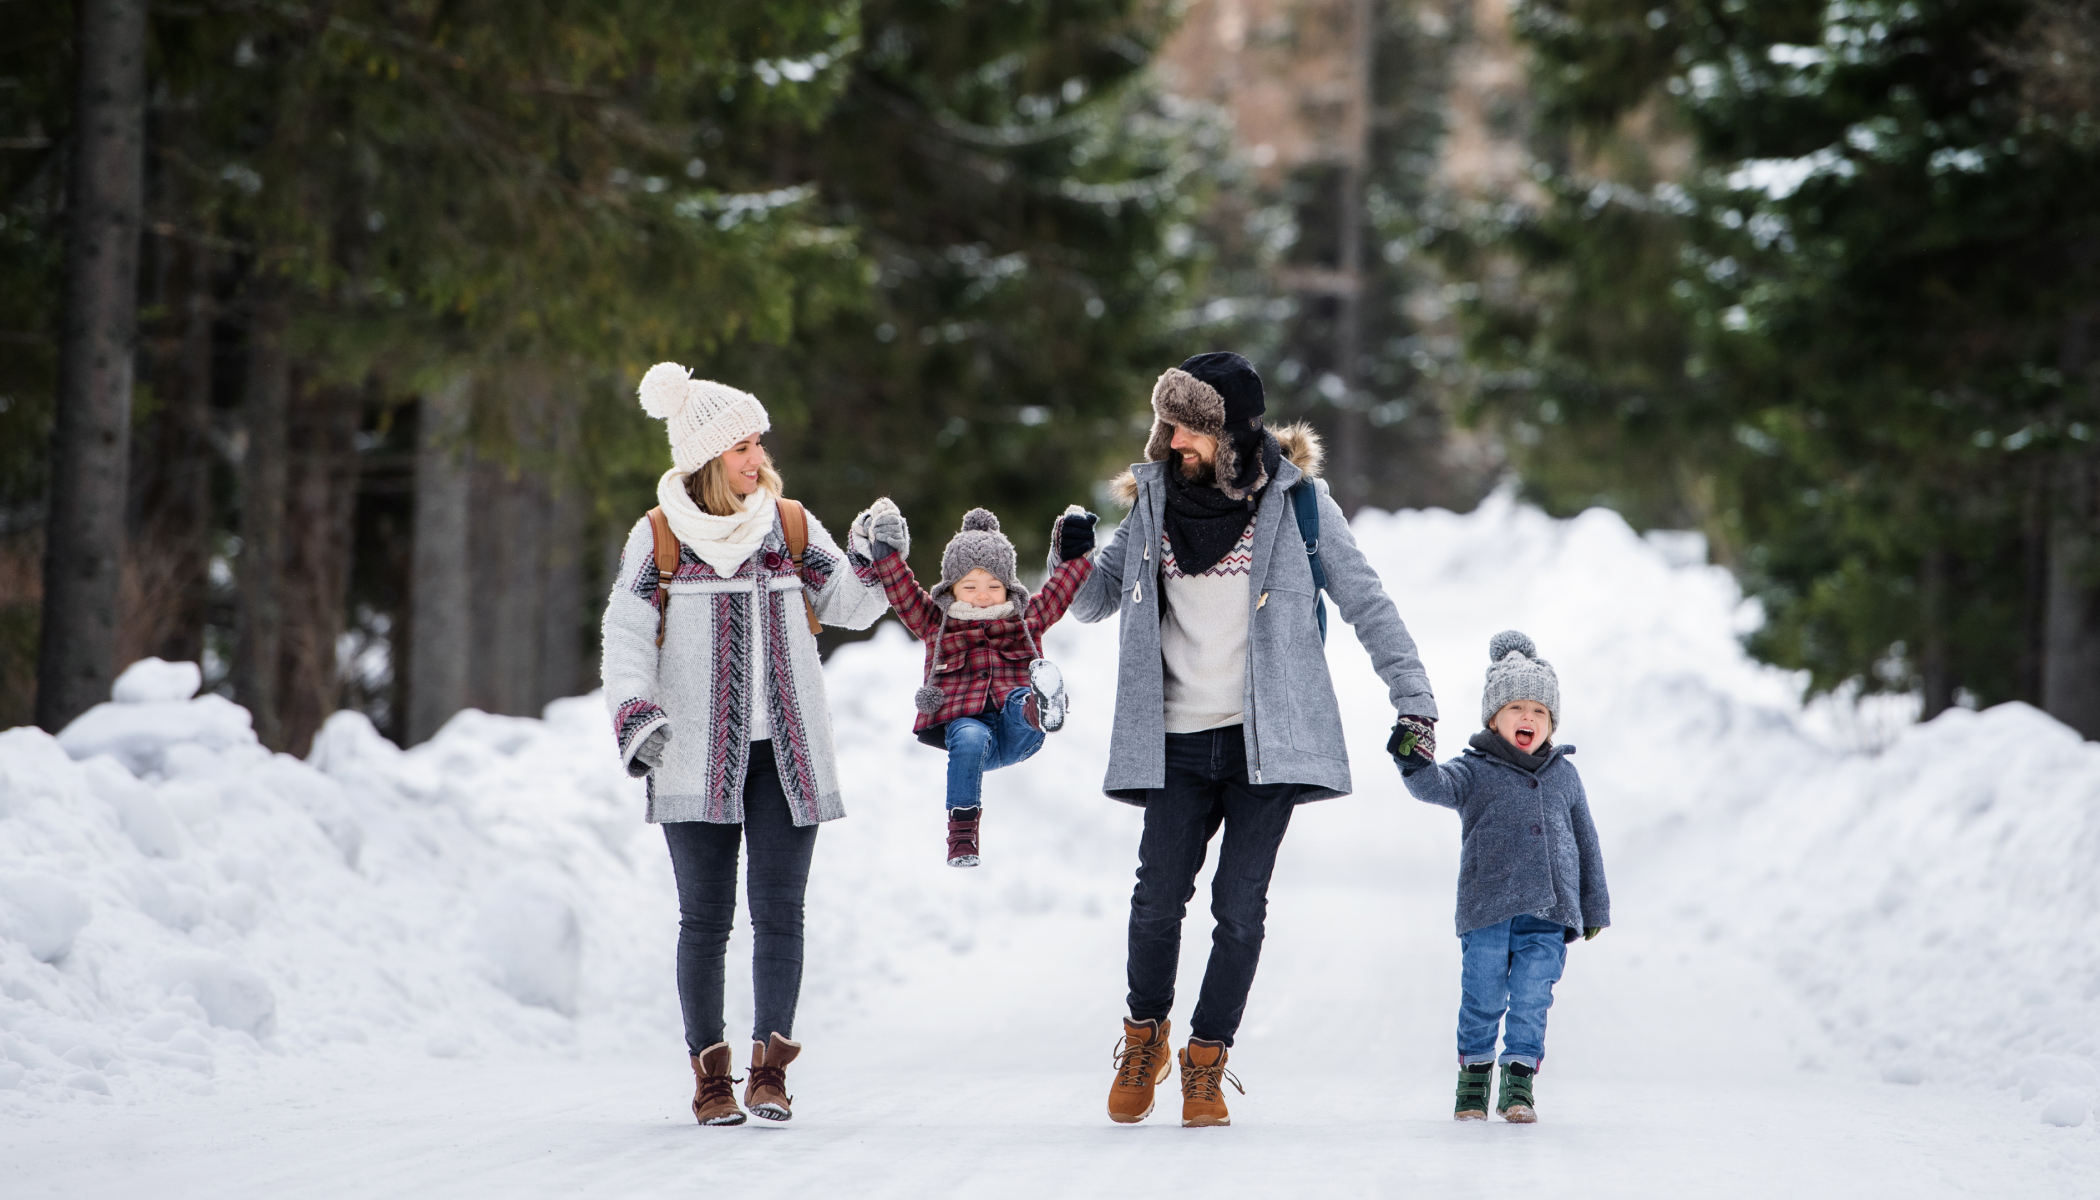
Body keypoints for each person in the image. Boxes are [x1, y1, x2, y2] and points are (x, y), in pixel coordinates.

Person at [1070, 350, 1440, 1127]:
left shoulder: (1301, 506)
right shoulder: (1152, 501)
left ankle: (1206, 1061)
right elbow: (1092, 602)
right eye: (1168, 425)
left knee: (1239, 909)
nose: (1173, 442)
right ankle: (1145, 1037)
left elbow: (1368, 603)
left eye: (1189, 430)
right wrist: (1068, 556)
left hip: (1263, 743)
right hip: (1171, 737)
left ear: (1231, 434)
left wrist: (1414, 700)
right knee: (1156, 901)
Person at [600, 362, 889, 1127]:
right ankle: (711, 1078)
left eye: (758, 443)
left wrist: (877, 553)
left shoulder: (787, 525)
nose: (756, 457)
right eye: (742, 447)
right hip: (691, 755)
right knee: (704, 921)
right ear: (705, 456)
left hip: (785, 756)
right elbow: (626, 635)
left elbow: (853, 606)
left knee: (781, 915)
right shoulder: (658, 537)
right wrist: (636, 716)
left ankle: (770, 1074)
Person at [1400, 631, 1611, 1123]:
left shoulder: (1564, 775)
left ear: (1551, 723)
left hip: (1550, 912)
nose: (1528, 718)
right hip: (1487, 910)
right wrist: (1411, 759)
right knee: (1482, 998)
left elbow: (1587, 842)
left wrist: (1594, 905)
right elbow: (1434, 786)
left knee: (1533, 999)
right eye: (1516, 707)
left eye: (1539, 711)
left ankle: (1518, 1086)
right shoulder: (1474, 770)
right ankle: (1473, 1081)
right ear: (1493, 718)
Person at [852, 502, 1098, 866]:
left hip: (1018, 733)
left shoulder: (1024, 620)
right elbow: (902, 592)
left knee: (1018, 701)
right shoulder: (936, 624)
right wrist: (885, 551)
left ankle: (1039, 708)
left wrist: (1077, 550)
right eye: (970, 585)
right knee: (968, 734)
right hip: (968, 736)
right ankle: (962, 837)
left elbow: (1060, 590)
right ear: (952, 588)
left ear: (1008, 587)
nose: (983, 595)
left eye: (994, 586)